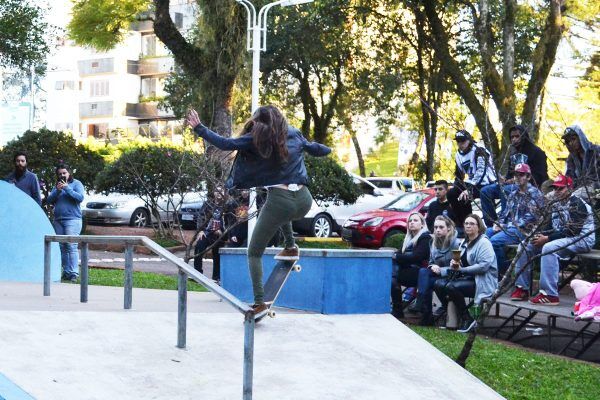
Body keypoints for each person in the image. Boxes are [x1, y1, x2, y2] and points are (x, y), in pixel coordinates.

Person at [186, 105, 331, 314]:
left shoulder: (255, 139)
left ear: (259, 123)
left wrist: (199, 128)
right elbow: (316, 148)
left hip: (281, 202)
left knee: (253, 252)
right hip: (304, 201)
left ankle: (259, 302)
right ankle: (290, 246)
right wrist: (326, 149)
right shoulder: (295, 133)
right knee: (284, 214)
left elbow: (226, 144)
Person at [511, 174, 595, 305]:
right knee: (525, 245)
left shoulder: (577, 203)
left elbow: (573, 231)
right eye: (555, 188)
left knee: (549, 248)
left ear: (570, 188)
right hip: (563, 238)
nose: (557, 191)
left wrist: (547, 238)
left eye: (560, 188)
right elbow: (550, 227)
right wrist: (539, 235)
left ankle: (549, 294)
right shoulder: (556, 205)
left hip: (582, 239)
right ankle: (522, 288)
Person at [434, 214, 498, 333]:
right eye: (466, 223)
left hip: (482, 281)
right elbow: (462, 263)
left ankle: (466, 317)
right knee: (438, 284)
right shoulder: (464, 241)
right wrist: (455, 264)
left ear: (479, 227)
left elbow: (483, 267)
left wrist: (462, 270)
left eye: (472, 224)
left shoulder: (484, 243)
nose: (468, 226)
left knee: (451, 287)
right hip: (467, 278)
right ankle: (452, 312)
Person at [480, 125, 548, 224]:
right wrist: (505, 180)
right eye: (512, 137)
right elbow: (509, 174)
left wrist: (521, 180)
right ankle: (492, 224)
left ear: (524, 136)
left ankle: (505, 224)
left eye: (517, 136)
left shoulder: (537, 152)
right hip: (512, 185)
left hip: (529, 186)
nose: (514, 139)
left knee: (507, 190)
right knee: (485, 191)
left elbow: (541, 176)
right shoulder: (513, 154)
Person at [485, 163, 544, 276]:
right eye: (516, 175)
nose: (518, 177)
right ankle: (490, 272)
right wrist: (499, 223)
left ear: (528, 177)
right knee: (485, 235)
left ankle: (503, 274)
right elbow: (505, 213)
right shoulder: (513, 194)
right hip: (510, 228)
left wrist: (505, 226)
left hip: (525, 231)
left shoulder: (535, 194)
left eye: (521, 175)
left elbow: (530, 218)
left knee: (494, 242)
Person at [416, 215, 461, 326]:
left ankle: (424, 311)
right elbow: (431, 261)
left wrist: (441, 270)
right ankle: (425, 311)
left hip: (452, 275)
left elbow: (457, 267)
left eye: (441, 227)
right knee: (423, 272)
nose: (437, 230)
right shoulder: (433, 242)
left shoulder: (457, 244)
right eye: (436, 227)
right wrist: (432, 266)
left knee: (426, 283)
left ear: (449, 228)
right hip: (437, 275)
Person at [447, 130, 497, 229]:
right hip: (471, 182)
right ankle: (462, 224)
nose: (460, 144)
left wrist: (469, 189)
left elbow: (481, 172)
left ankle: (487, 225)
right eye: (458, 141)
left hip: (486, 182)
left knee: (464, 196)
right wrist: (457, 186)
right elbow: (459, 174)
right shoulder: (458, 155)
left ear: (469, 140)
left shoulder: (479, 150)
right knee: (451, 193)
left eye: (463, 141)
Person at [46, 163, 85, 282]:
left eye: (64, 173)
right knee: (62, 246)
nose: (62, 175)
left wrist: (67, 188)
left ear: (69, 173)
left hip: (73, 219)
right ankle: (66, 271)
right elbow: (49, 200)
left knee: (71, 246)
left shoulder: (76, 184)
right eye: (60, 174)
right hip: (58, 220)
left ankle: (73, 273)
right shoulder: (56, 186)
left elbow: (80, 198)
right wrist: (57, 191)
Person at [391, 212, 431, 318]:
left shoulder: (425, 238)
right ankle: (397, 310)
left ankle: (397, 309)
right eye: (410, 221)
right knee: (392, 278)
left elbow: (416, 257)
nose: (412, 223)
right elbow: (399, 254)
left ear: (422, 224)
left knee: (392, 275)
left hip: (419, 273)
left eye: (415, 220)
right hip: (406, 271)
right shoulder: (407, 239)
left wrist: (397, 257)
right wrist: (397, 257)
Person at [193, 186, 228, 282]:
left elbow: (230, 222)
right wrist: (200, 230)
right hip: (206, 233)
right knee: (199, 246)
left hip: (219, 234)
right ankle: (197, 274)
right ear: (213, 192)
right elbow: (200, 217)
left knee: (217, 254)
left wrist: (222, 232)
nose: (219, 193)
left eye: (221, 191)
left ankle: (216, 277)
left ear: (224, 192)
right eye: (217, 190)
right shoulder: (208, 204)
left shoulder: (227, 205)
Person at [562, 125, 600, 201]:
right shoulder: (571, 158)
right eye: (568, 141)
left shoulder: (596, 151)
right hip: (578, 188)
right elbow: (569, 177)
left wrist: (573, 190)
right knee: (551, 196)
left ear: (580, 137)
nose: (571, 143)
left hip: (595, 187)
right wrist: (566, 188)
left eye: (573, 139)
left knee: (575, 196)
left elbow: (594, 178)